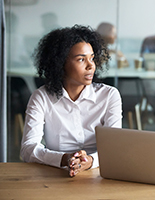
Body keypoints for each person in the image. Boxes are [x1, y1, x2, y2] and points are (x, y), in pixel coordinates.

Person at [20, 25, 122, 177]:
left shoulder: (109, 95)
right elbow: (28, 149)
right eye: (81, 59)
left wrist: (90, 161)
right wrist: (64, 159)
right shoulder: (41, 97)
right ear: (60, 63)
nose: (91, 66)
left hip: (100, 174)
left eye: (92, 58)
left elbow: (114, 148)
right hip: (54, 174)